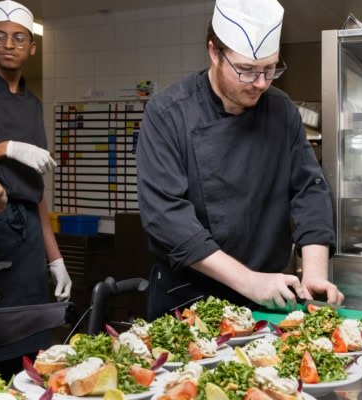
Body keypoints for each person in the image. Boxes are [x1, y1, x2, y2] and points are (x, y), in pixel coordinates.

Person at [136, 0, 343, 320]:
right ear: (214, 52)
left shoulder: (281, 110)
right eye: (246, 70)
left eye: (270, 69)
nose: (261, 83)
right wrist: (249, 282)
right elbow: (166, 219)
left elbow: (309, 190)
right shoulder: (168, 113)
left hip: (268, 297)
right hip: (189, 298)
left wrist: (314, 273)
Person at [0, 0, 72, 379]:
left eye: (18, 37)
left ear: (32, 47)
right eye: (0, 36)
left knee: (32, 353)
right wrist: (6, 148)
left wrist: (55, 259)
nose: (9, 44)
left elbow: (36, 192)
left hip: (28, 242)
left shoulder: (33, 105)